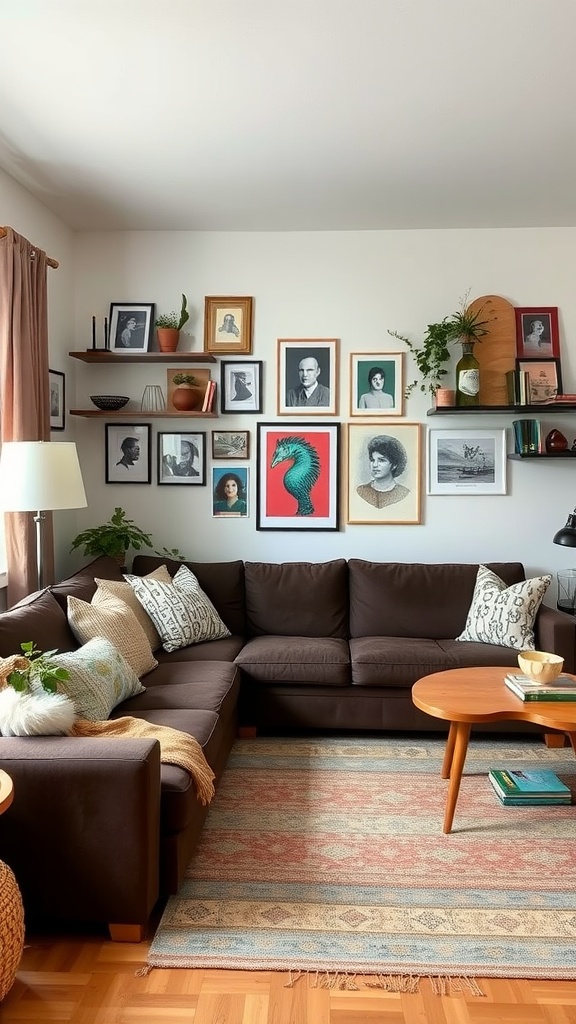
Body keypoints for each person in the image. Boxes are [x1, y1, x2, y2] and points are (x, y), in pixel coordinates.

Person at [356, 435, 410, 509]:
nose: (375, 465)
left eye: (381, 460)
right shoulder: (361, 491)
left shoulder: (403, 493)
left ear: (394, 465)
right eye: (372, 460)